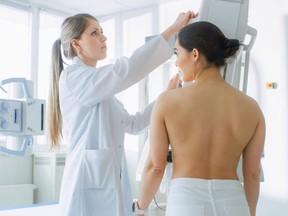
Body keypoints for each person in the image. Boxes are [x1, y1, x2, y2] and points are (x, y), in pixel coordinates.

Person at [48, 11, 197, 216]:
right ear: (76, 44)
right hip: (85, 191)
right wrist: (172, 29)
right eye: (94, 33)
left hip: (107, 185)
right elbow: (125, 69)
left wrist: (166, 95)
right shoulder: (75, 78)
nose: (103, 37)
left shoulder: (99, 87)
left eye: (102, 31)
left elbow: (134, 124)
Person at [135, 21, 265, 216]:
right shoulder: (251, 107)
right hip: (234, 203)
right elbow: (253, 174)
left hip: (187, 202)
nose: (177, 62)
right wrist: (250, 212)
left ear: (194, 54)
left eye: (177, 53)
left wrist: (140, 209)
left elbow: (155, 167)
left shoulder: (168, 101)